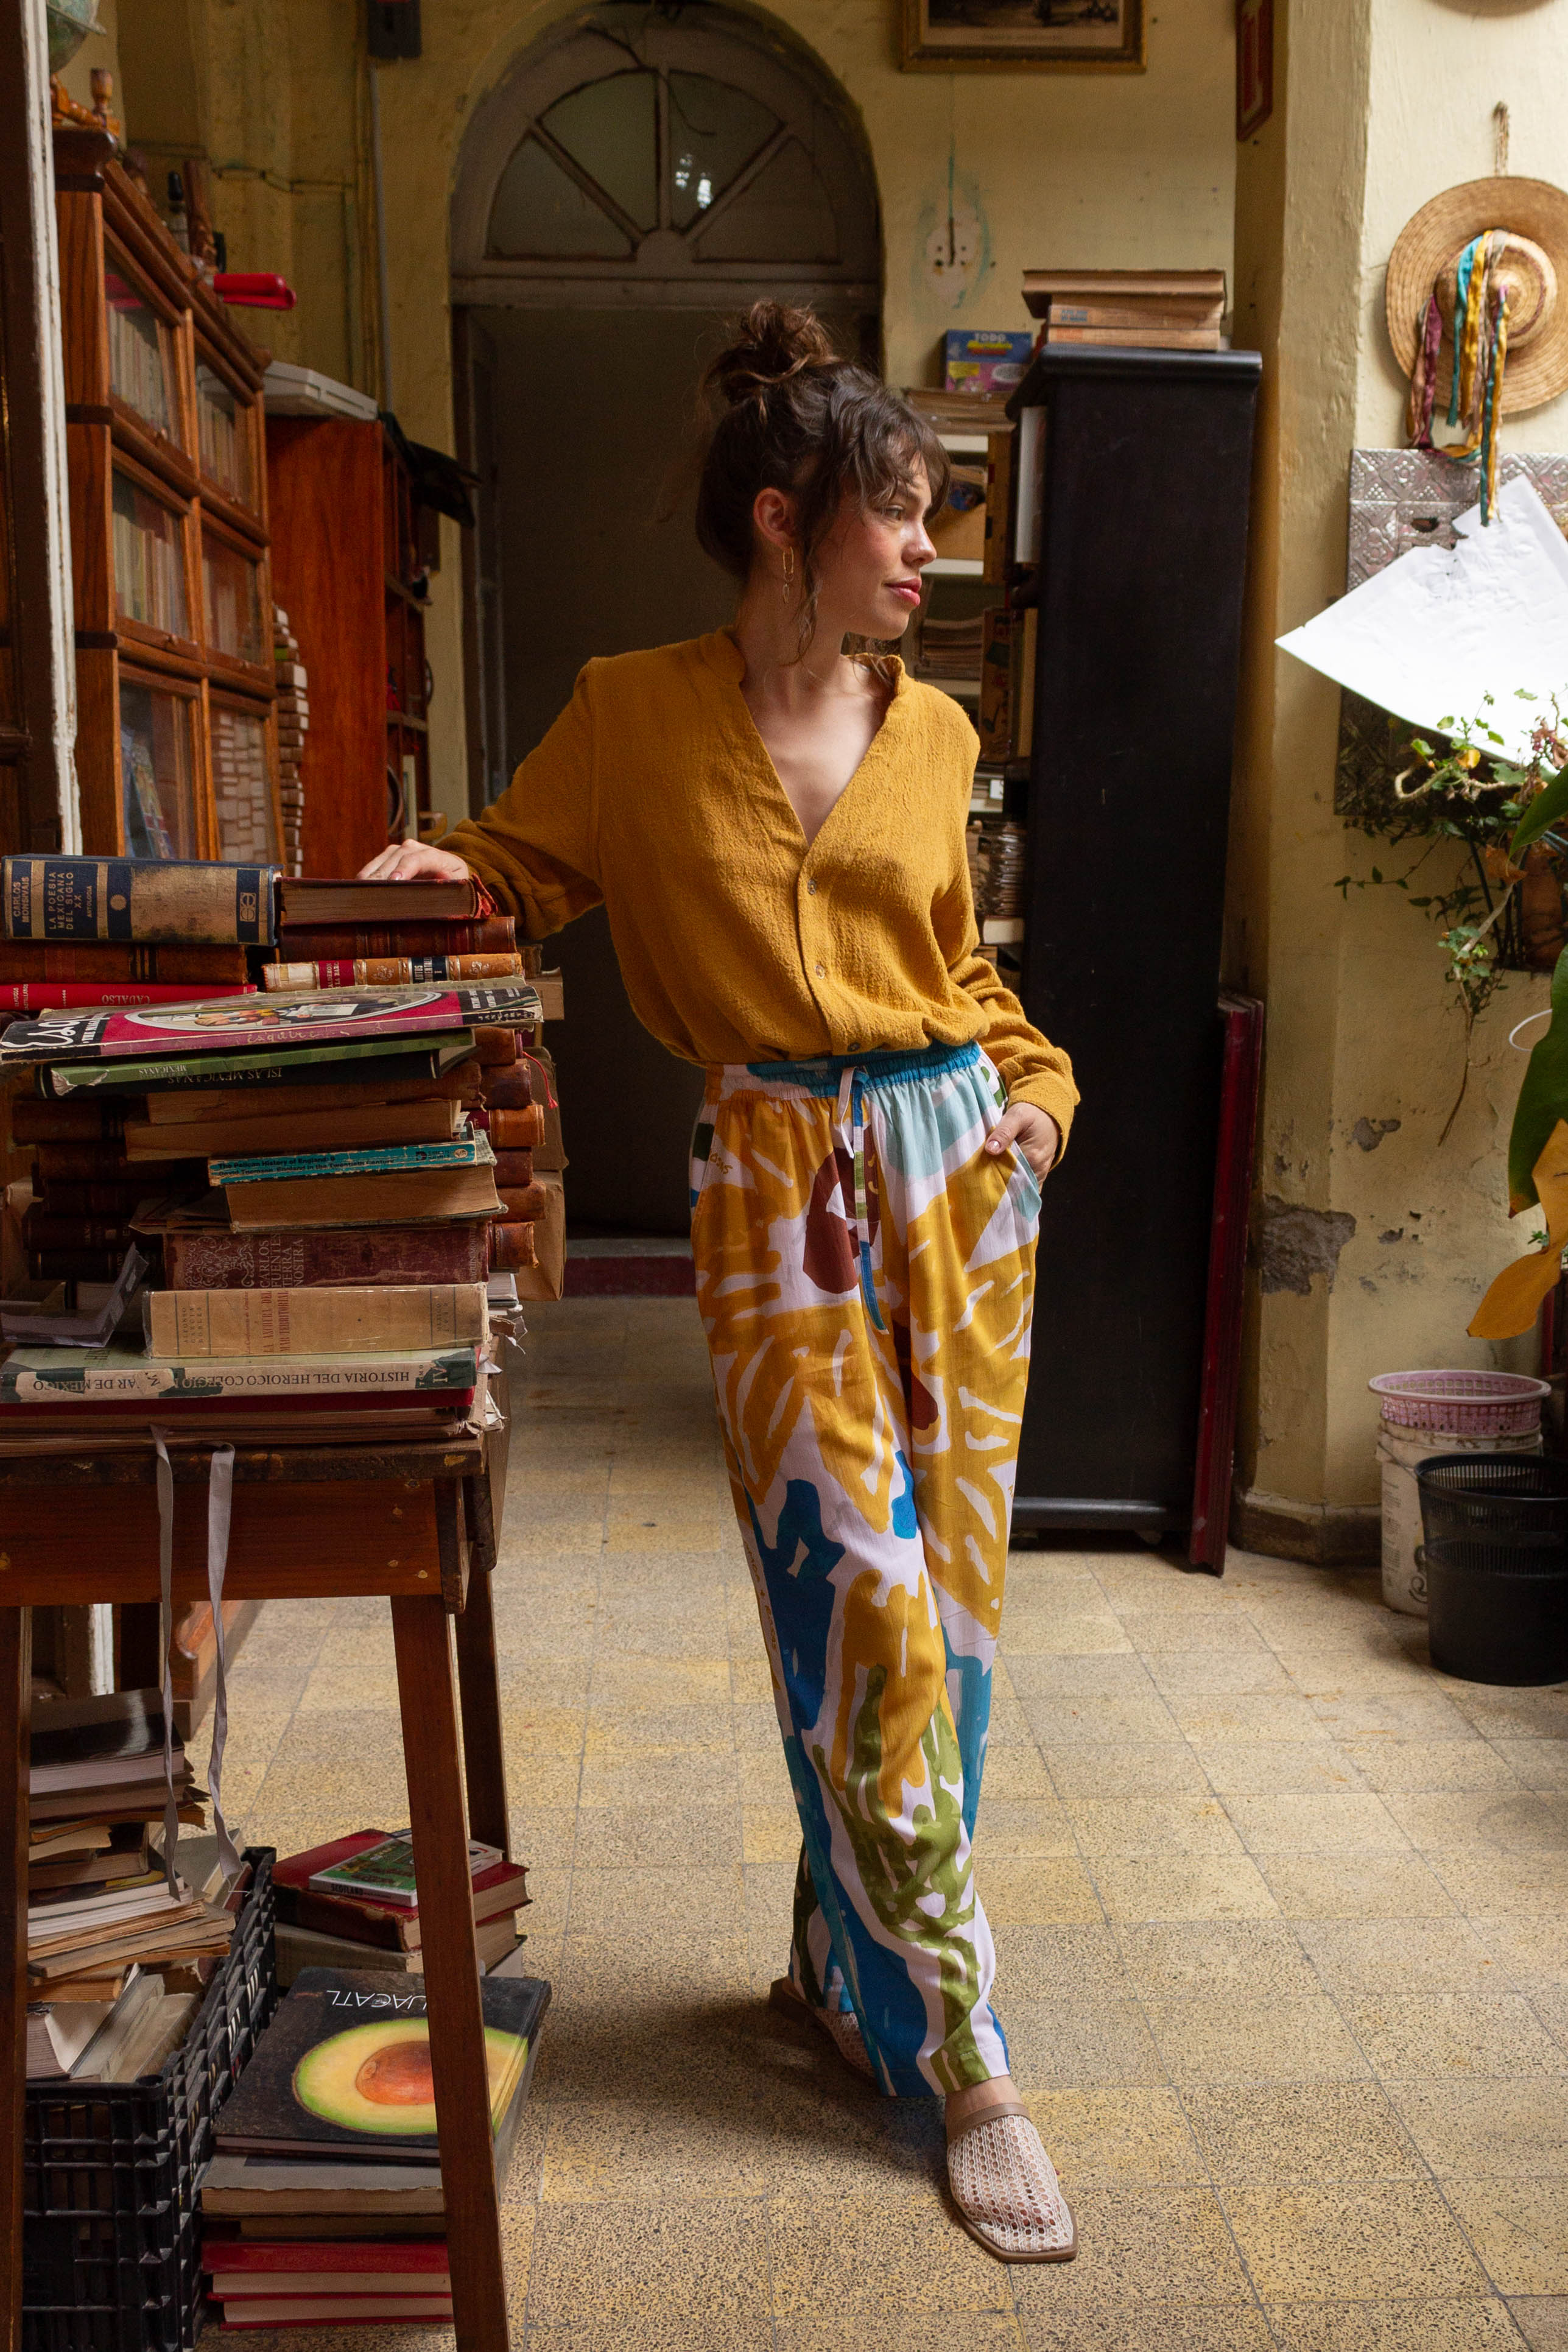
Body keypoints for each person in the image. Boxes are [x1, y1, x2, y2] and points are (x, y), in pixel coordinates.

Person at [360, 305, 1080, 2262]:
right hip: (773, 1189)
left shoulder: (936, 730)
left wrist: (1035, 1104)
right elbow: (517, 865)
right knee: (854, 1601)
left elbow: (965, 972)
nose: (925, 552)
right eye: (898, 516)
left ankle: (847, 1976)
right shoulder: (632, 712)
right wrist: (435, 876)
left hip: (961, 1182)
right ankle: (969, 2057)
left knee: (953, 1624)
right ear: (786, 520)